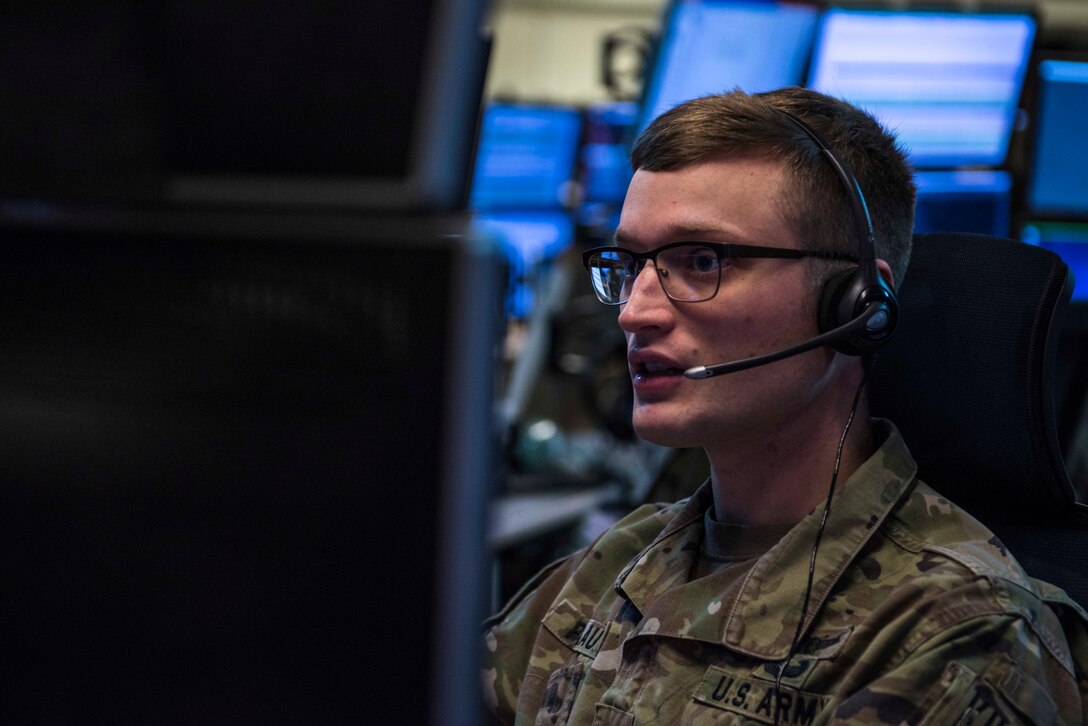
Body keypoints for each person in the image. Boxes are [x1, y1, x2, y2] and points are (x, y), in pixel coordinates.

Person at [482, 87, 1088, 724]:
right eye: (631, 264)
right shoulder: (618, 560)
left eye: (703, 261)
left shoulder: (950, 634)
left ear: (857, 305)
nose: (634, 312)